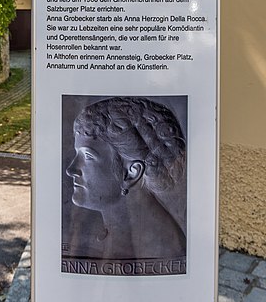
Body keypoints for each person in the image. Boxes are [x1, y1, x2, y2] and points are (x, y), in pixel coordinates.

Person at [65, 96, 186, 261]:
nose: (71, 170)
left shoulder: (161, 249)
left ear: (132, 173)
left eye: (88, 156)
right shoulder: (123, 234)